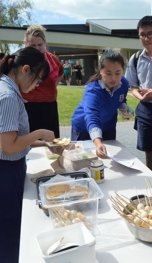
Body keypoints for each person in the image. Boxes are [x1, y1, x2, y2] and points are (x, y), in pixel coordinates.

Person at [0, 46, 54, 263]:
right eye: (36, 79)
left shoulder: (9, 90)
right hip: (6, 171)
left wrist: (46, 144)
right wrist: (39, 133)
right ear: (25, 69)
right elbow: (8, 146)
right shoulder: (7, 96)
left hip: (11, 167)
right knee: (9, 227)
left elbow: (13, 140)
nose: (36, 85)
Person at [125, 15, 152, 174]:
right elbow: (132, 86)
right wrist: (141, 97)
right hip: (144, 111)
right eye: (142, 35)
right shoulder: (135, 58)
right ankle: (151, 179)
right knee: (149, 151)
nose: (146, 38)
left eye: (150, 34)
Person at [71, 50, 132, 158]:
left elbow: (121, 100)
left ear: (123, 70)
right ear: (100, 70)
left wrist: (124, 109)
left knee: (110, 159)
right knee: (83, 160)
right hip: (84, 129)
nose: (113, 78)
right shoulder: (93, 90)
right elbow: (92, 116)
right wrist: (98, 143)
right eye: (108, 73)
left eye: (118, 73)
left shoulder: (124, 83)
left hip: (108, 127)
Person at [23, 24, 64, 138]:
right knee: (31, 141)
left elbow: (60, 72)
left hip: (49, 105)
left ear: (45, 43)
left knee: (51, 141)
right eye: (33, 45)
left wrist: (53, 87)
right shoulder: (21, 60)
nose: (37, 48)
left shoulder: (52, 59)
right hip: (28, 105)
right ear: (26, 44)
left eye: (40, 45)